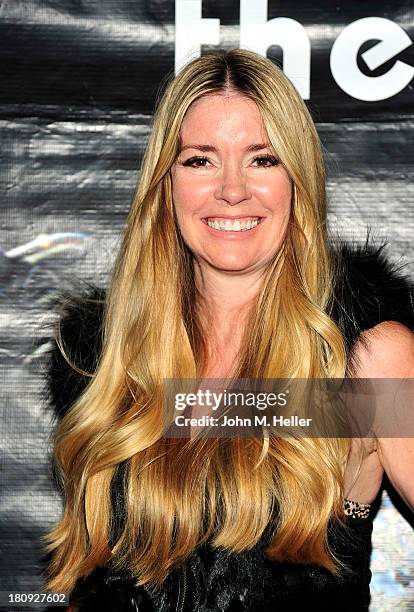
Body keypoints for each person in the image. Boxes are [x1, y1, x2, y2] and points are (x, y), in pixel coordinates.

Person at [42, 49, 414, 611]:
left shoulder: (365, 360)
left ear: (298, 180)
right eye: (200, 161)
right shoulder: (107, 361)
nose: (232, 190)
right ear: (165, 184)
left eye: (262, 159)